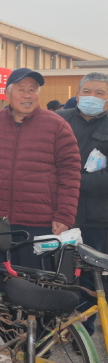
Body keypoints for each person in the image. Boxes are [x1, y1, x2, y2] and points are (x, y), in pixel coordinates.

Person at [0, 68, 81, 294]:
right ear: (7, 94)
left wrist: (64, 215)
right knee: (1, 285)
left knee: (35, 289)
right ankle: (3, 319)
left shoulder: (57, 125)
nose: (27, 95)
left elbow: (70, 173)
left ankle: (36, 319)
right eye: (21, 89)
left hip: (39, 222)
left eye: (33, 90)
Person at [56, 73, 108, 335]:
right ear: (77, 95)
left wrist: (71, 181)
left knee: (91, 275)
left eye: (100, 93)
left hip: (97, 218)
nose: (92, 97)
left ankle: (83, 330)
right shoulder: (59, 120)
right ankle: (54, 326)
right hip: (59, 213)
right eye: (87, 91)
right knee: (57, 270)